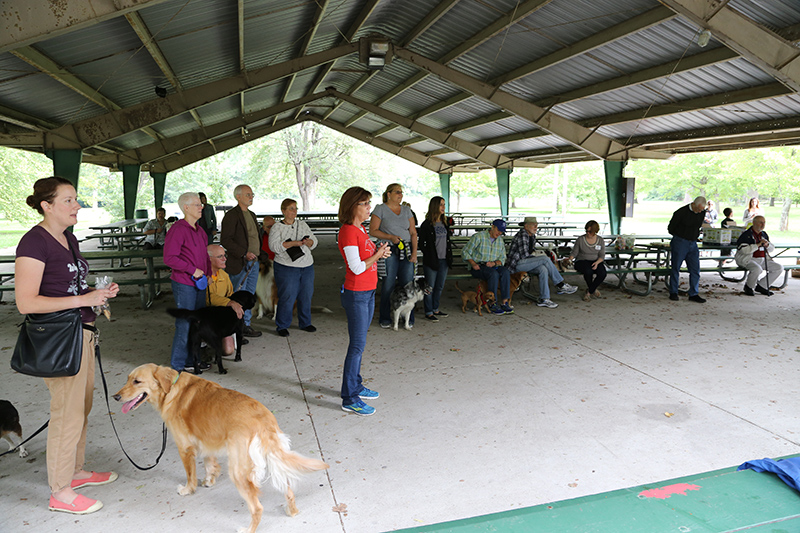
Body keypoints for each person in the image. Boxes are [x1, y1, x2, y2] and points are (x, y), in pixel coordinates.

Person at [15, 176, 120, 515]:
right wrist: (82, 298)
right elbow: (26, 303)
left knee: (81, 409)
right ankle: (59, 491)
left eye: (76, 199)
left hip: (82, 333)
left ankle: (75, 472)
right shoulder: (34, 242)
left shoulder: (68, 238)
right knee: (66, 414)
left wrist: (97, 295)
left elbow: (71, 286)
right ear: (47, 206)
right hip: (58, 339)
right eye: (69, 201)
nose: (77, 206)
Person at [338, 187, 391, 416]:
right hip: (357, 293)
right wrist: (377, 256)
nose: (370, 207)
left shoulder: (361, 229)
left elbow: (364, 258)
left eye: (369, 202)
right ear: (354, 206)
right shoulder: (349, 231)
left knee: (360, 344)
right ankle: (349, 397)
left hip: (367, 292)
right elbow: (357, 267)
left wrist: (379, 252)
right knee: (356, 346)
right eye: (365, 203)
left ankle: (355, 385)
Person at [164, 192, 212, 371]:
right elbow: (169, 258)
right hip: (184, 283)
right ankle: (177, 366)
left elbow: (205, 255)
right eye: (197, 205)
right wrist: (193, 270)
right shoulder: (177, 229)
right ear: (186, 208)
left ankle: (193, 360)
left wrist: (207, 273)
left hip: (200, 282)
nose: (201, 207)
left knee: (197, 322)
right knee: (184, 323)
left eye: (201, 204)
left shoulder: (200, 231)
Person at [369, 183, 418, 329]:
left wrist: (414, 252)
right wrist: (390, 237)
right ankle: (385, 317)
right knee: (388, 283)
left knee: (408, 284)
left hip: (406, 248)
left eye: (401, 192)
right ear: (388, 194)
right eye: (397, 192)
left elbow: (413, 232)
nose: (400, 194)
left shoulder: (407, 210)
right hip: (388, 248)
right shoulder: (380, 209)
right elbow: (373, 230)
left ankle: (408, 317)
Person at [268, 198, 318, 337]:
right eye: (290, 208)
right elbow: (274, 247)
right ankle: (282, 325)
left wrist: (308, 242)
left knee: (306, 295)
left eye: (295, 208)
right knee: (287, 296)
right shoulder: (277, 227)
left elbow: (315, 243)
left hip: (306, 265)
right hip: (286, 266)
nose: (294, 211)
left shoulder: (302, 224)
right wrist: (292, 244)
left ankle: (305, 322)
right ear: (283, 211)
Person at [507, 216, 578, 309]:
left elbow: (531, 252)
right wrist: (539, 259)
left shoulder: (532, 236)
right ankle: (560, 284)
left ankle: (544, 299)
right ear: (526, 226)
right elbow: (525, 255)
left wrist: (537, 259)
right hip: (516, 265)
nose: (536, 227)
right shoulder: (523, 235)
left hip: (525, 263)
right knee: (544, 259)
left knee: (543, 269)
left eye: (536, 225)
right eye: (533, 225)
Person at [220, 184, 261, 337]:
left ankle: (245, 325)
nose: (251, 197)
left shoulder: (252, 215)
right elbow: (226, 240)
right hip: (240, 262)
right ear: (238, 197)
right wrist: (244, 253)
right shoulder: (232, 215)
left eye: (252, 194)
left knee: (249, 295)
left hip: (254, 262)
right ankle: (232, 327)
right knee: (236, 295)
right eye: (248, 195)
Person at [462, 218, 513, 315]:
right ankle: (492, 303)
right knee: (493, 274)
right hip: (478, 266)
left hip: (493, 265)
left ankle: (505, 302)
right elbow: (465, 252)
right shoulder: (479, 237)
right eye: (498, 230)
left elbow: (502, 258)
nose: (499, 233)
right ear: (492, 227)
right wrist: (473, 263)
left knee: (505, 272)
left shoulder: (500, 241)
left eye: (501, 232)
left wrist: (494, 263)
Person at [418, 196, 452, 321]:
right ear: (434, 206)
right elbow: (422, 243)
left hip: (444, 259)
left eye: (444, 204)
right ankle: (428, 311)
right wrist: (429, 254)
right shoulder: (426, 225)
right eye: (441, 205)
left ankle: (436, 308)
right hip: (432, 260)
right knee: (429, 286)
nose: (443, 207)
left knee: (439, 286)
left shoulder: (445, 222)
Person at [206, 244, 244, 355]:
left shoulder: (224, 275)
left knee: (228, 350)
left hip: (221, 317)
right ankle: (203, 343)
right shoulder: (202, 275)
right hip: (206, 317)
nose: (225, 259)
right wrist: (229, 303)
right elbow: (208, 298)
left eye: (224, 255)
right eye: (220, 256)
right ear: (209, 259)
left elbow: (231, 294)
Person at [667, 196, 707, 303]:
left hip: (693, 243)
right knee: (676, 267)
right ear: (693, 204)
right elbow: (671, 228)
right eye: (698, 209)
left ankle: (694, 293)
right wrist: (681, 235)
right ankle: (673, 292)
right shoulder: (680, 212)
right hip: (680, 241)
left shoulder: (702, 213)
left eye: (701, 210)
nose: (699, 212)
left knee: (695, 269)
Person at [735, 215, 781, 296]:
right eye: (760, 222)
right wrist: (758, 245)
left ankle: (762, 286)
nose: (763, 225)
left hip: (763, 259)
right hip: (748, 259)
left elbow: (771, 248)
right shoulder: (746, 235)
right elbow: (744, 250)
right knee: (757, 269)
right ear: (754, 223)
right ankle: (749, 287)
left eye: (764, 223)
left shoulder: (764, 234)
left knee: (779, 268)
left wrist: (767, 245)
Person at [569, 220, 607, 302]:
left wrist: (597, 263)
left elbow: (602, 255)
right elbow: (574, 252)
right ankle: (591, 292)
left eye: (590, 231)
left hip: (596, 260)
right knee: (588, 271)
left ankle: (590, 290)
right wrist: (569, 259)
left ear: (595, 231)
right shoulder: (580, 239)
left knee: (602, 273)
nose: (588, 233)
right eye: (586, 231)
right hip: (582, 260)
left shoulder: (600, 240)